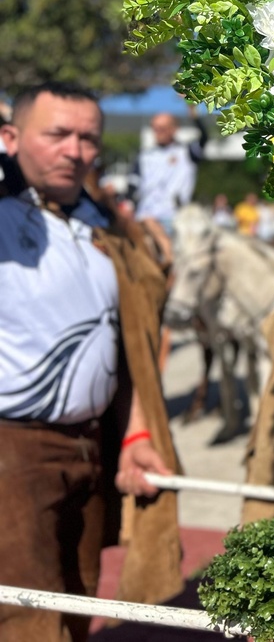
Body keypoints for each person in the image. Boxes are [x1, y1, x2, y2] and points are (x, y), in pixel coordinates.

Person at [0, 81, 182, 640]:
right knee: (28, 620)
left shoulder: (103, 227)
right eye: (57, 134)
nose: (74, 150)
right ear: (10, 138)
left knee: (78, 606)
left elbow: (131, 351)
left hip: (92, 446)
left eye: (87, 138)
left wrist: (134, 436)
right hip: (13, 452)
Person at [132, 106, 207, 237]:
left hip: (175, 220)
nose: (158, 133)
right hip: (145, 216)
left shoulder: (186, 151)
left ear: (174, 129)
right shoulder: (144, 155)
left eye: (162, 129)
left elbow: (204, 137)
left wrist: (193, 111)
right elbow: (132, 184)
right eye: (155, 129)